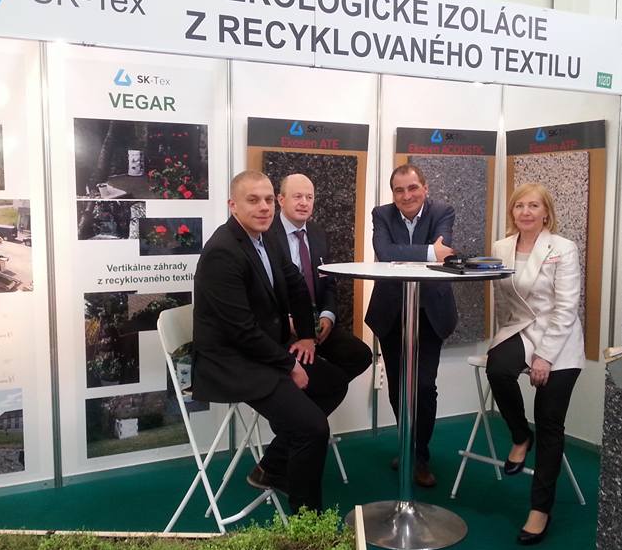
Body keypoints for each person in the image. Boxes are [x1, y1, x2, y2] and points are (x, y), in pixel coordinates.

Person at [192, 170, 349, 514]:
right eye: (253, 200)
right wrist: (289, 364)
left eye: (267, 200)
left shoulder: (267, 238)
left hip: (263, 351)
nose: (263, 207)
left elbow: (296, 285)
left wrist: (305, 336)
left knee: (334, 383)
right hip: (232, 362)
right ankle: (308, 524)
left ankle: (274, 466)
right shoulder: (222, 252)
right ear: (233, 205)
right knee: (312, 428)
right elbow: (241, 331)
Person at [485, 182, 585, 545]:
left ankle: (540, 509)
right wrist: (504, 338)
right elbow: (504, 300)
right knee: (497, 367)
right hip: (521, 329)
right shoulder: (501, 247)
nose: (525, 212)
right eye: (519, 206)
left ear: (546, 213)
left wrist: (545, 357)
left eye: (533, 206)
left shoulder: (563, 248)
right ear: (512, 212)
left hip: (560, 337)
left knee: (549, 422)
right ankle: (519, 435)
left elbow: (566, 308)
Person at [364, 164, 456, 487]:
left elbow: (443, 257)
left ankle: (420, 455)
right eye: (399, 190)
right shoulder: (382, 214)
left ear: (425, 188)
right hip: (391, 313)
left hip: (430, 313)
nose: (406, 195)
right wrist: (430, 251)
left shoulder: (443, 211)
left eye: (413, 187)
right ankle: (407, 446)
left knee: (424, 386)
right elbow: (385, 252)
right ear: (393, 193)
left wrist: (416, 254)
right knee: (398, 387)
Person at [267, 173, 373, 383]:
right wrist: (286, 320)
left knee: (360, 356)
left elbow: (329, 282)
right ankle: (306, 397)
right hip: (284, 328)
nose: (304, 203)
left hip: (318, 324)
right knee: (323, 382)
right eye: (297, 196)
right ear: (281, 200)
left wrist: (328, 316)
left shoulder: (318, 234)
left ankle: (315, 395)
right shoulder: (266, 234)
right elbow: (262, 289)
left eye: (309, 197)